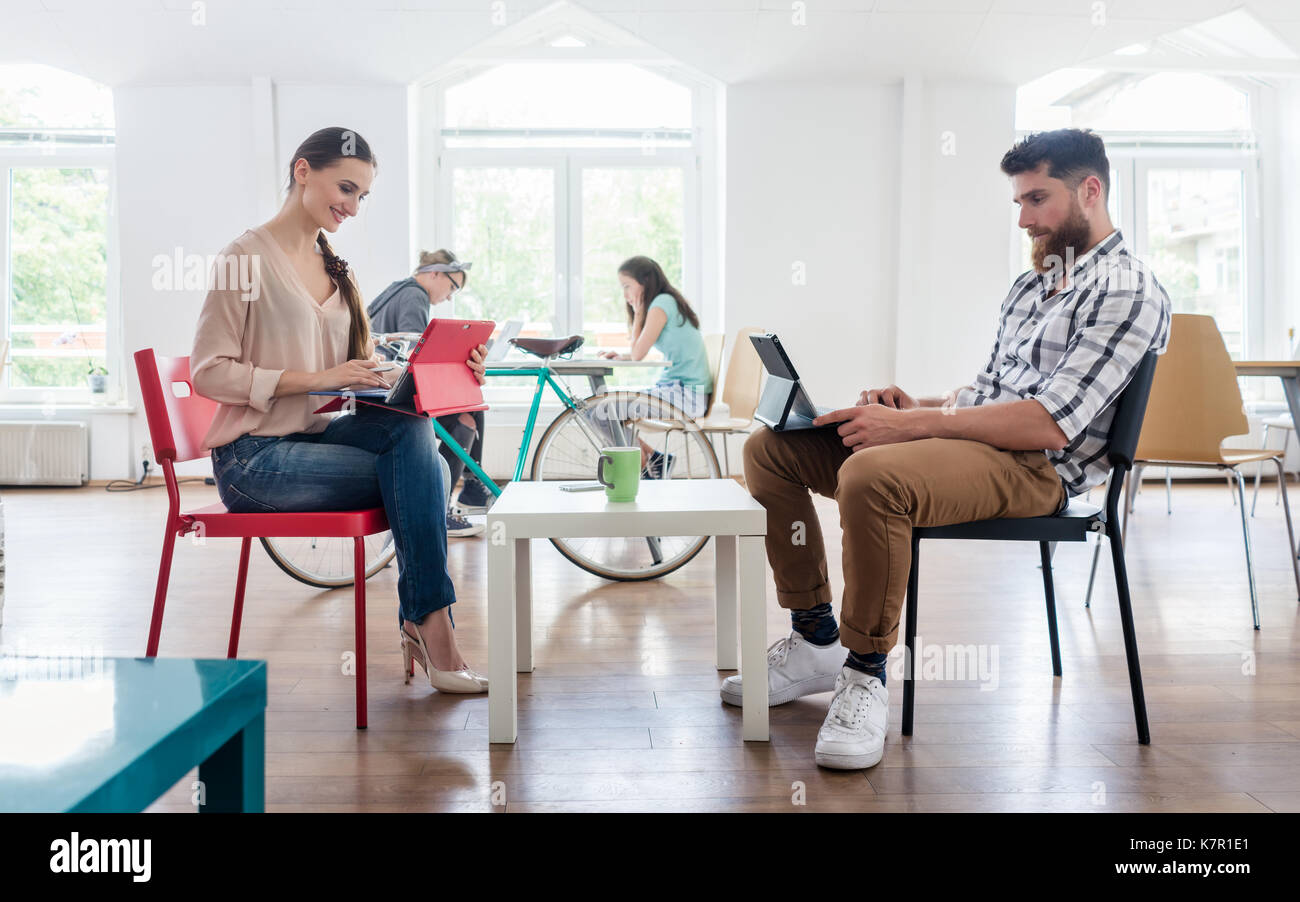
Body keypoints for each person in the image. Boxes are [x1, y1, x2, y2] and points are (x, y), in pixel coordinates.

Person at [729, 128, 1172, 770]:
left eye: (1037, 199)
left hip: (1039, 471)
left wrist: (913, 431)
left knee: (874, 476)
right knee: (772, 448)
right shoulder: (1031, 287)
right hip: (982, 447)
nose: (1023, 219)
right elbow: (990, 394)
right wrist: (923, 407)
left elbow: (1051, 423)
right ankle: (814, 637)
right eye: (1018, 202)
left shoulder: (1126, 288)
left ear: (1091, 190)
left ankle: (865, 671)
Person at [191, 126, 488, 695]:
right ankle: (432, 629)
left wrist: (444, 368)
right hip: (253, 459)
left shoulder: (338, 269)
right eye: (345, 189)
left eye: (362, 196)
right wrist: (314, 379)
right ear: (303, 171)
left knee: (414, 434)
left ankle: (426, 623)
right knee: (420, 472)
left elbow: (363, 366)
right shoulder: (244, 258)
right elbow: (209, 371)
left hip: (312, 437)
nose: (352, 207)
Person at [368, 250, 491, 538]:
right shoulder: (415, 295)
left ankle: (472, 485)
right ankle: (444, 505)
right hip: (389, 392)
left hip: (377, 387)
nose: (450, 297)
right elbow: (417, 353)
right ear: (434, 273)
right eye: (452, 287)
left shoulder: (397, 289)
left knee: (468, 403)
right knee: (467, 414)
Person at [596, 256, 714, 477]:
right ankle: (655, 459)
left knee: (599, 411)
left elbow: (639, 354)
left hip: (686, 397)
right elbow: (638, 351)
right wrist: (624, 356)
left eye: (627, 286)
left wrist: (639, 313)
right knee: (597, 408)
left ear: (645, 282)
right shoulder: (666, 301)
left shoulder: (661, 304)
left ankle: (647, 463)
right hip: (679, 392)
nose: (625, 295)